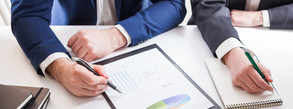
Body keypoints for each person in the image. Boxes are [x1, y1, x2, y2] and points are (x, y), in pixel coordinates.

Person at [11, 0, 186, 97]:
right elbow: (28, 15)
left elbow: (174, 4)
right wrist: (60, 68)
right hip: (67, 47)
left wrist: (115, 36)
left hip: (138, 37)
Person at [189, 0, 293, 93]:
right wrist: (231, 52)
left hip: (280, 41)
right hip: (209, 35)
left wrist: (261, 17)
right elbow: (206, 4)